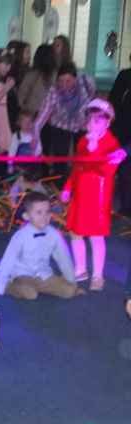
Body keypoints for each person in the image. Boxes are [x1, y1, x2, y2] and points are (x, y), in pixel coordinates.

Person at [60, 99, 126, 291]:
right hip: (80, 195)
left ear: (108, 122)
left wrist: (95, 148)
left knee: (96, 236)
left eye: (97, 121)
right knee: (75, 232)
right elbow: (77, 167)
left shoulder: (112, 144)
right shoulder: (83, 141)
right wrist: (68, 187)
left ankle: (98, 275)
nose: (91, 124)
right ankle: (80, 269)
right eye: (89, 120)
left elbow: (106, 171)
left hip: (98, 197)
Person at [0, 191, 81, 300]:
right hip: (22, 275)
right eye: (39, 212)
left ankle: (43, 287)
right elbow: (8, 260)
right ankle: (7, 285)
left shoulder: (54, 234)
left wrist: (71, 282)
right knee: (30, 294)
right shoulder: (20, 236)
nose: (44, 216)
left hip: (43, 275)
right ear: (27, 216)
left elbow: (63, 258)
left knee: (69, 291)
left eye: (47, 212)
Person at [33, 62, 96, 175]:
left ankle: (80, 180)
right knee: (60, 159)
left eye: (68, 81)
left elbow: (93, 98)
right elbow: (41, 117)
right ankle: (59, 181)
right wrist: (36, 140)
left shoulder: (86, 82)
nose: (64, 85)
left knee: (82, 157)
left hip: (82, 124)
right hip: (60, 124)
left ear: (75, 79)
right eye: (61, 81)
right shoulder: (54, 91)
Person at [109, 54, 131, 215]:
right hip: (123, 130)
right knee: (124, 170)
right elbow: (114, 101)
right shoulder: (125, 76)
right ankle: (125, 206)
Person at [18, 44, 56, 116]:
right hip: (50, 115)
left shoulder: (30, 75)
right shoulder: (57, 76)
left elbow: (20, 99)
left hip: (31, 113)